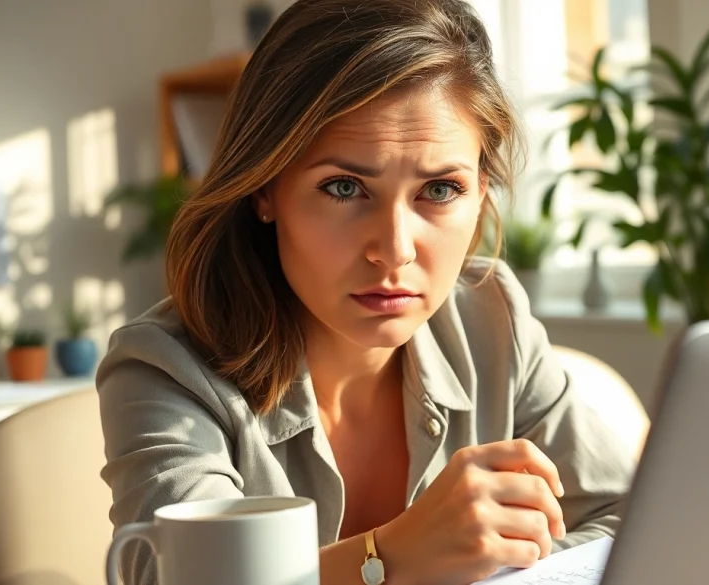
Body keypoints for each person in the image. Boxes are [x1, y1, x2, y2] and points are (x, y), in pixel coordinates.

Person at [96, 1, 635, 584]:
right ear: (264, 189)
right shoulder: (164, 369)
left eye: (440, 188)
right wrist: (394, 556)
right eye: (345, 187)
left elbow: (626, 520)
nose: (395, 248)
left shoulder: (492, 314)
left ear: (482, 193)